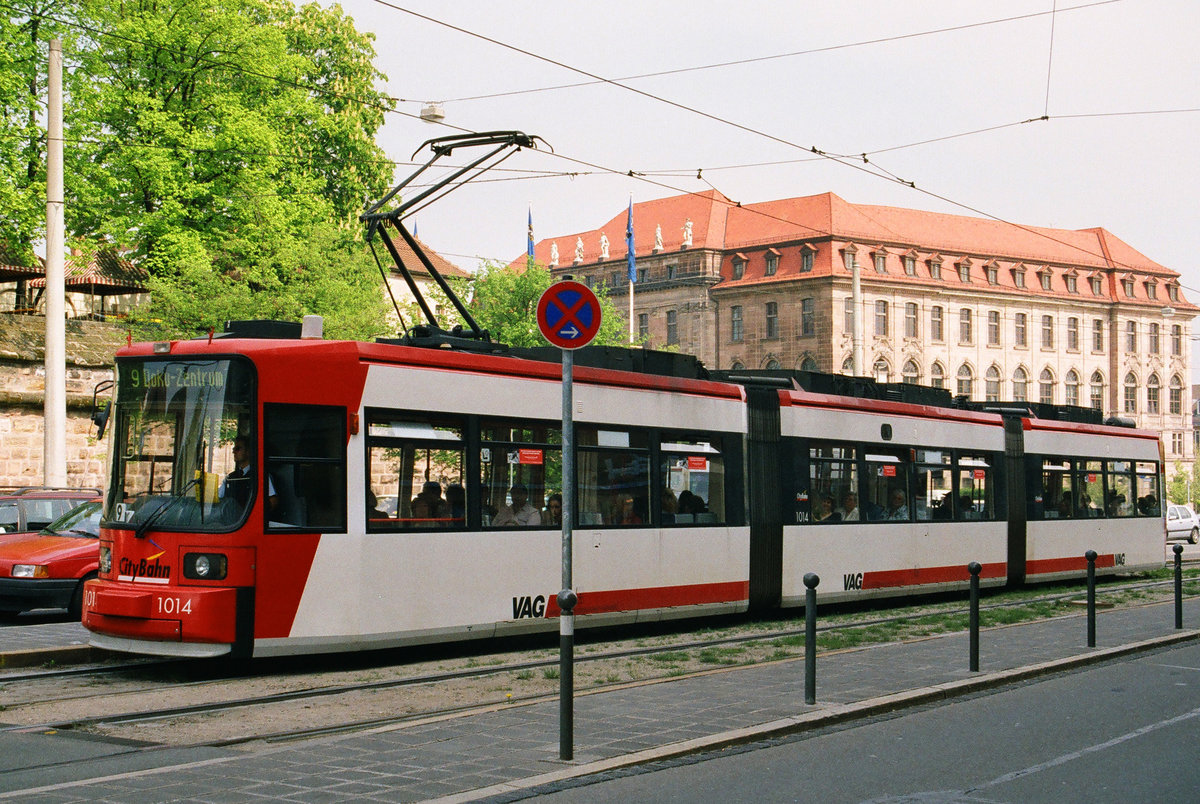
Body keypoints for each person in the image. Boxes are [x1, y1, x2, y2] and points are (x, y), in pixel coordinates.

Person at [222, 436, 277, 513]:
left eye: (238, 449)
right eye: (234, 449)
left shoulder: (261, 475)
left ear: (248, 452)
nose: (233, 452)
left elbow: (272, 502)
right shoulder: (230, 477)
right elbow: (219, 499)